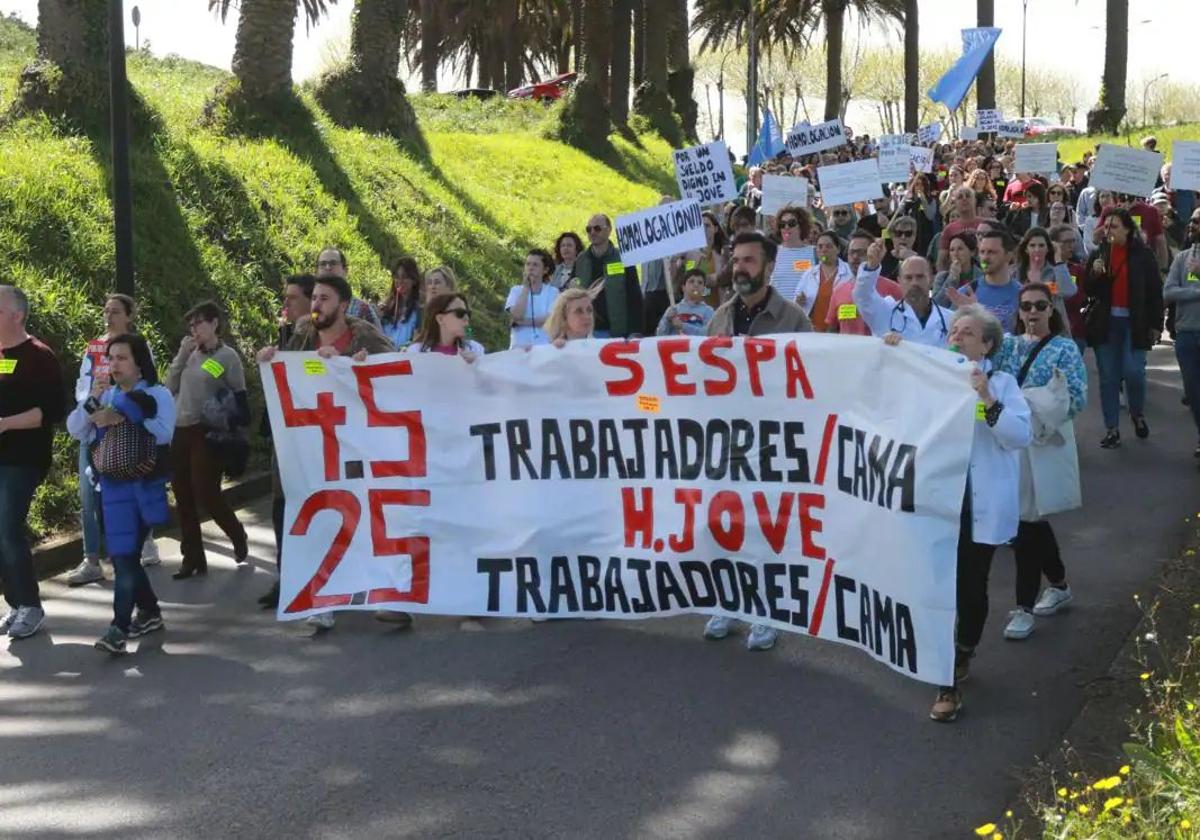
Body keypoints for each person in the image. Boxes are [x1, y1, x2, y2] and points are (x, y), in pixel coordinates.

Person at [258, 274, 396, 630]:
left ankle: (379, 586)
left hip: (353, 446)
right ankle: (323, 598)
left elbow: (395, 370)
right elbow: (292, 373)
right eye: (315, 297)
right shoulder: (302, 332)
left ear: (344, 304)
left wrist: (361, 363)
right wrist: (272, 360)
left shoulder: (363, 334)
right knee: (316, 519)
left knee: (359, 518)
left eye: (325, 298)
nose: (316, 304)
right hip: (312, 447)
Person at [923, 304, 1032, 722]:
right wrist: (893, 355)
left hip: (977, 504)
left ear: (987, 343)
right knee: (936, 587)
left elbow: (1018, 436)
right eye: (953, 330)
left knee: (970, 586)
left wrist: (986, 397)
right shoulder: (931, 378)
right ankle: (944, 676)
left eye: (967, 332)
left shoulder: (1002, 384)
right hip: (936, 500)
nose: (957, 337)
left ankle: (962, 650)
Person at [703, 231, 810, 651]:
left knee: (766, 526)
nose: (740, 268)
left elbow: (810, 380)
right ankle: (730, 601)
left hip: (773, 440)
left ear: (767, 267)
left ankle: (767, 611)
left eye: (749, 260)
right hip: (726, 440)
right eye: (736, 260)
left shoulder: (794, 319)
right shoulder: (719, 318)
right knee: (725, 522)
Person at [67, 334, 174, 654]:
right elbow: (76, 429)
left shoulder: (157, 394)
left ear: (140, 364)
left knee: (125, 555)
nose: (114, 364)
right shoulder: (106, 395)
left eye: (122, 358)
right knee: (124, 556)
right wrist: (92, 405)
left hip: (144, 488)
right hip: (110, 489)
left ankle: (118, 628)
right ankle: (150, 612)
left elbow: (165, 432)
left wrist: (127, 415)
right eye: (111, 358)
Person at [993, 283, 1087, 640]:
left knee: (1025, 524)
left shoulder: (1064, 349)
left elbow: (1076, 397)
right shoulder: (1008, 346)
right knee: (1028, 520)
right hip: (1008, 446)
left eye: (1040, 305)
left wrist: (1028, 405)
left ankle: (1023, 607)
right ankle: (1060, 584)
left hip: (1042, 444)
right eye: (1026, 306)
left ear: (1051, 310)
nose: (1032, 312)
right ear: (1019, 311)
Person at [68, 294, 161, 587]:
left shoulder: (138, 345)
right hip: (95, 428)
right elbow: (82, 386)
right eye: (106, 311)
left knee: (134, 487)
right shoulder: (94, 347)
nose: (109, 316)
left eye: (116, 311)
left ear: (129, 316)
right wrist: (93, 409)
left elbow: (149, 383)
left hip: (127, 427)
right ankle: (92, 559)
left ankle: (144, 541)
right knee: (88, 494)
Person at [165, 301, 250, 580]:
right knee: (182, 493)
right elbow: (171, 385)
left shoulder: (227, 357)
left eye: (199, 323)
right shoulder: (190, 354)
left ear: (214, 324)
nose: (195, 330)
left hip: (208, 430)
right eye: (191, 325)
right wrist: (182, 354)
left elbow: (239, 396)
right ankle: (192, 558)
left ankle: (236, 533)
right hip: (181, 427)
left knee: (206, 491)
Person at [0, 286, 65, 640]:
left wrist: (6, 423)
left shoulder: (40, 356)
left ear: (17, 315)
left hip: (23, 459)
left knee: (8, 528)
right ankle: (16, 603)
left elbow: (52, 411)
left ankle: (31, 606)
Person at [257, 274, 316, 609]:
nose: (286, 306)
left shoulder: (319, 338)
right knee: (282, 509)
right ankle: (287, 579)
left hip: (314, 441)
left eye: (292, 298)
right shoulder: (286, 336)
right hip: (286, 439)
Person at [1084, 207, 1164, 448]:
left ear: (1128, 229)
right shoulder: (1100, 254)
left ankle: (1136, 412)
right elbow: (1088, 290)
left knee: (1133, 372)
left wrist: (1156, 324)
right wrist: (1095, 275)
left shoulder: (1143, 255)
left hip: (1134, 323)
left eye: (1114, 226)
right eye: (1106, 226)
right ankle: (1112, 429)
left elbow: (1154, 292)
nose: (1108, 230)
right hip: (1106, 324)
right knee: (1109, 377)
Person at [855, 239, 952, 347]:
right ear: (899, 281)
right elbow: (863, 296)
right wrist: (871, 266)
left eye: (920, 277)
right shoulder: (885, 313)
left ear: (931, 280)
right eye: (908, 278)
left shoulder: (950, 320)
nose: (914, 283)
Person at [1163, 216, 1200, 458]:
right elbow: (1169, 292)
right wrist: (1196, 292)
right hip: (1187, 334)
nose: (1192, 226)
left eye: (1198, 222)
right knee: (1194, 392)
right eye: (1192, 222)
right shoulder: (1182, 258)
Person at [575, 213, 643, 338]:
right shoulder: (581, 260)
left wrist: (635, 331)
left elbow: (634, 296)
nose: (592, 232)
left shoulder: (623, 258)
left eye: (597, 228)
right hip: (587, 332)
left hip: (617, 331)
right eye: (588, 229)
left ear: (609, 230)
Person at [946, 229, 1023, 332]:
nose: (985, 258)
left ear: (1008, 256)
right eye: (982, 252)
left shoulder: (1022, 294)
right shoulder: (965, 294)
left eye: (992, 252)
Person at [827, 229, 902, 336]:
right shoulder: (839, 290)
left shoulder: (893, 289)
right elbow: (832, 329)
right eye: (852, 252)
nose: (855, 257)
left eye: (861, 252)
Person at [794, 231, 852, 331]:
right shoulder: (809, 274)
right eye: (820, 247)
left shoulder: (850, 273)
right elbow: (796, 300)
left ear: (838, 249)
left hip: (839, 331)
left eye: (828, 246)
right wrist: (799, 300)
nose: (823, 250)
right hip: (812, 331)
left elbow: (855, 305)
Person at [315, 248, 382, 329]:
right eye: (323, 264)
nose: (328, 267)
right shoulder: (310, 306)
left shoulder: (362, 310)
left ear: (345, 270)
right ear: (316, 271)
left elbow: (379, 340)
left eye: (333, 263)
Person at [506, 249, 560, 349]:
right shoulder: (516, 291)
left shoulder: (553, 292)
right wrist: (526, 288)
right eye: (528, 264)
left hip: (544, 348)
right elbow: (517, 315)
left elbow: (550, 319)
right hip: (518, 348)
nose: (530, 268)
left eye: (535, 265)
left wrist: (522, 322)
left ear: (545, 270)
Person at [1049, 224, 1089, 355]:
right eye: (1066, 242)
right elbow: (1053, 293)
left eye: (1073, 241)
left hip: (1075, 332)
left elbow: (1073, 297)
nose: (1071, 245)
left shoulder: (1077, 270)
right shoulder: (1045, 271)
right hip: (1052, 332)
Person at [409, 293, 487, 358]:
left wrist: (475, 365)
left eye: (468, 314)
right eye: (460, 313)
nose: (466, 317)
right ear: (440, 319)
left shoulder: (476, 350)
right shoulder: (415, 352)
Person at [656, 268, 715, 337]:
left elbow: (709, 334)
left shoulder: (708, 311)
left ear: (704, 289)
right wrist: (667, 321)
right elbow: (659, 335)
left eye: (700, 283)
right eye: (691, 281)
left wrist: (683, 326)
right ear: (683, 287)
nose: (696, 285)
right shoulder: (673, 310)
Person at [933, 231, 983, 308]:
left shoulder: (982, 276)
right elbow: (937, 306)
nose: (955, 254)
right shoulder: (941, 277)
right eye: (952, 250)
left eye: (960, 249)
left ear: (972, 252)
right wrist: (952, 279)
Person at [380, 257, 422, 347]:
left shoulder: (419, 311)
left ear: (414, 280)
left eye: (405, 277)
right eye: (397, 277)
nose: (400, 281)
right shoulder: (387, 307)